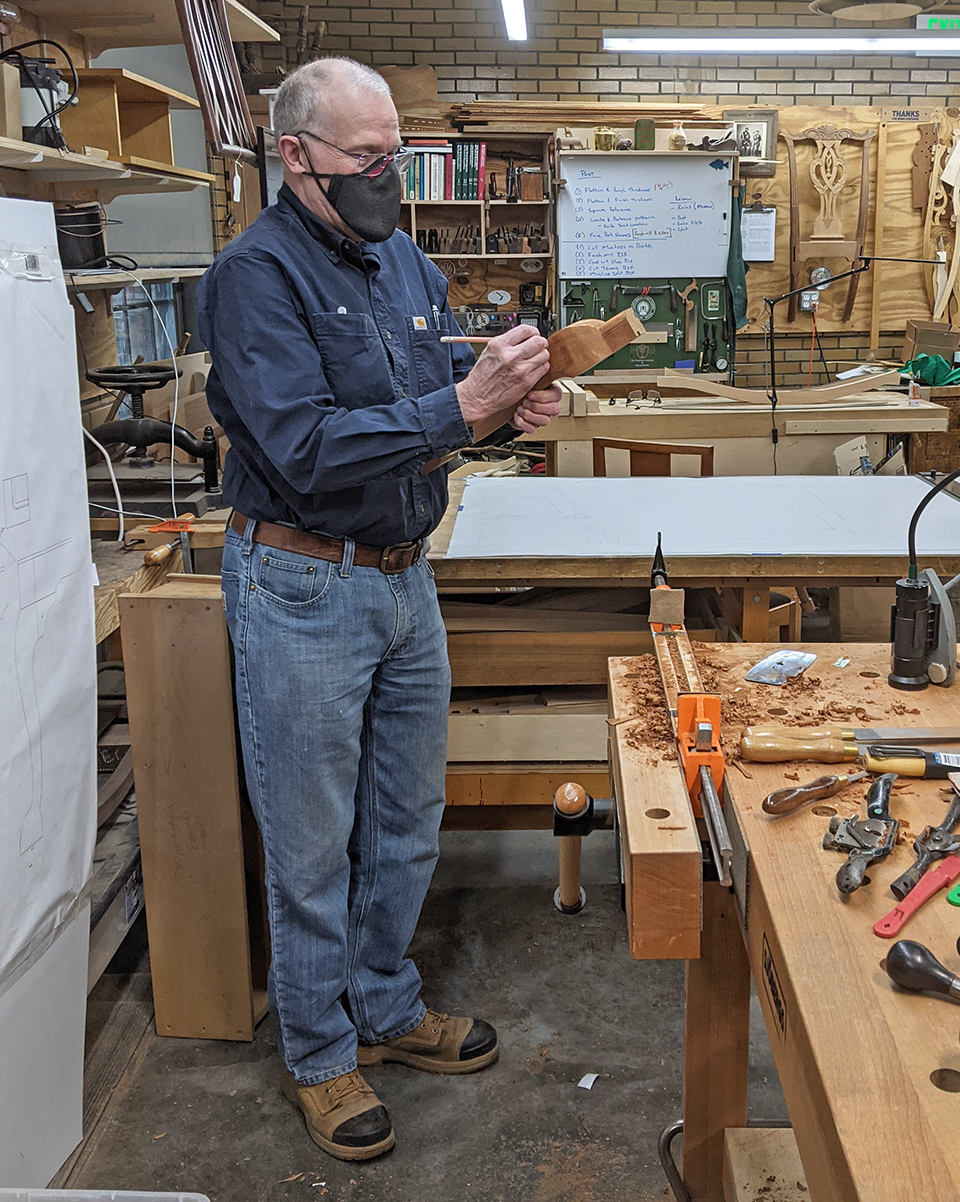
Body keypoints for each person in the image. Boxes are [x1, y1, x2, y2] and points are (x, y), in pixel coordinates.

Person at [196, 56, 561, 1162]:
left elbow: (426, 414)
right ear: (295, 155)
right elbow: (303, 448)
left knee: (406, 817)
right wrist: (462, 403)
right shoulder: (252, 277)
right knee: (311, 839)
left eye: (397, 156)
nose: (387, 178)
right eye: (366, 159)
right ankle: (319, 1050)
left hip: (405, 574)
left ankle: (388, 1007)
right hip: (301, 577)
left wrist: (502, 413)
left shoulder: (403, 258)